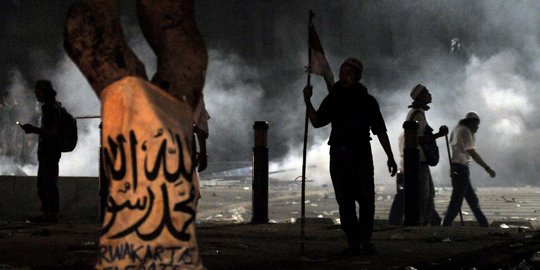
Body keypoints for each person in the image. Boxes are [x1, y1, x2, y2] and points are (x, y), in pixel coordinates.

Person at [303, 57, 398, 256]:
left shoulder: (367, 101)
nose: (343, 77)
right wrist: (308, 101)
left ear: (357, 76)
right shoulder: (334, 98)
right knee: (345, 202)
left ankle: (365, 240)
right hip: (339, 154)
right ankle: (354, 243)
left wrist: (390, 156)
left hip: (361, 154)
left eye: (348, 73)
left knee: (366, 200)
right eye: (342, 73)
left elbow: (380, 130)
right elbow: (317, 121)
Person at [442, 111, 496, 227]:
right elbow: (472, 152)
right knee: (457, 200)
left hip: (456, 166)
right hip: (461, 167)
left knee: (471, 199)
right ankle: (446, 224)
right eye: (476, 124)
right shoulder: (466, 131)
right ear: (471, 122)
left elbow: (454, 150)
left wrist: (452, 168)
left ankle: (483, 224)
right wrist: (487, 167)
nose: (477, 128)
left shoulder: (456, 129)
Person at [20, 80, 63, 223]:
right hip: (51, 150)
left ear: (45, 92)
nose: (36, 95)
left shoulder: (50, 108)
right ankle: (49, 214)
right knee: (47, 183)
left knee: (46, 183)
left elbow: (51, 132)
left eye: (38, 92)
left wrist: (33, 129)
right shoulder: (55, 106)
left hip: (49, 151)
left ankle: (49, 215)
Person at [405, 84, 448, 226]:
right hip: (419, 160)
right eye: (427, 92)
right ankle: (421, 224)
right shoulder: (418, 114)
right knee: (424, 195)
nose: (430, 94)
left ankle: (425, 222)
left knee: (429, 193)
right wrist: (439, 135)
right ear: (420, 97)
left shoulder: (417, 113)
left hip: (419, 160)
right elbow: (419, 138)